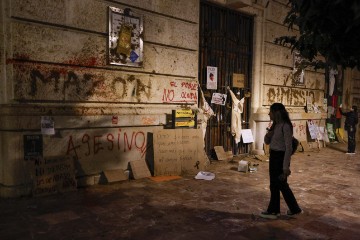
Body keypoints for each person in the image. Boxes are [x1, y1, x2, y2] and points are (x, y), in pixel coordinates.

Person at [260, 103, 302, 219]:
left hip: (281, 157)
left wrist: (285, 167)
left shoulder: (286, 126)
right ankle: (291, 209)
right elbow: (267, 142)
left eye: (271, 111)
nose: (269, 113)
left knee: (280, 184)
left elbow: (288, 147)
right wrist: (269, 132)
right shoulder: (275, 125)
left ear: (277, 112)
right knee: (276, 185)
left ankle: (276, 211)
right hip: (274, 155)